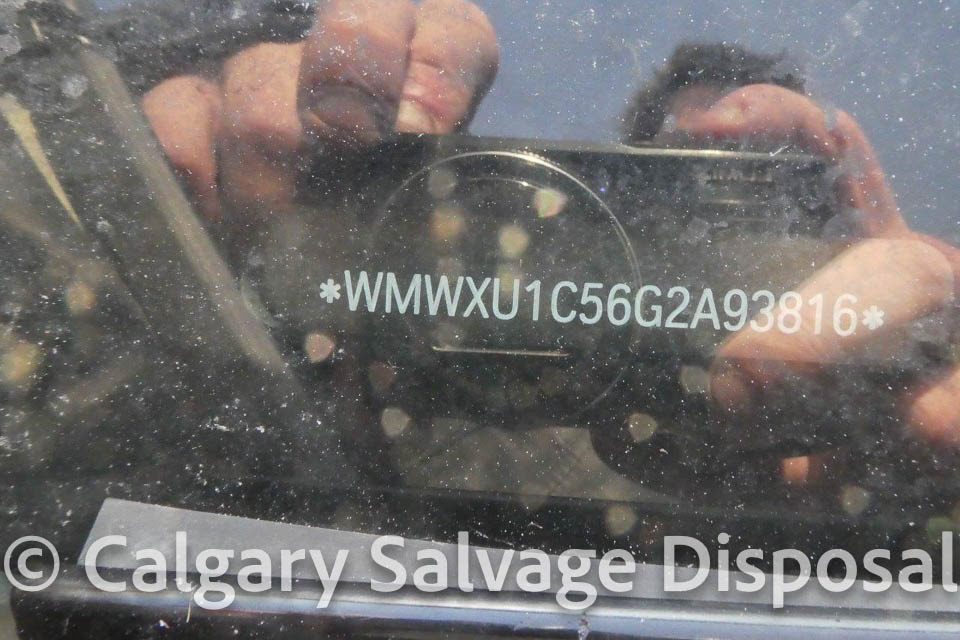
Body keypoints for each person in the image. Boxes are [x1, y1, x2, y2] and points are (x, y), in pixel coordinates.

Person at [142, 0, 960, 488]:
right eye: (670, 186)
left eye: (747, 196)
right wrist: (199, 245)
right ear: (602, 198)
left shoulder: (860, 416)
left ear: (834, 225)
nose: (702, 253)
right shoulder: (440, 417)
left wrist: (921, 359)